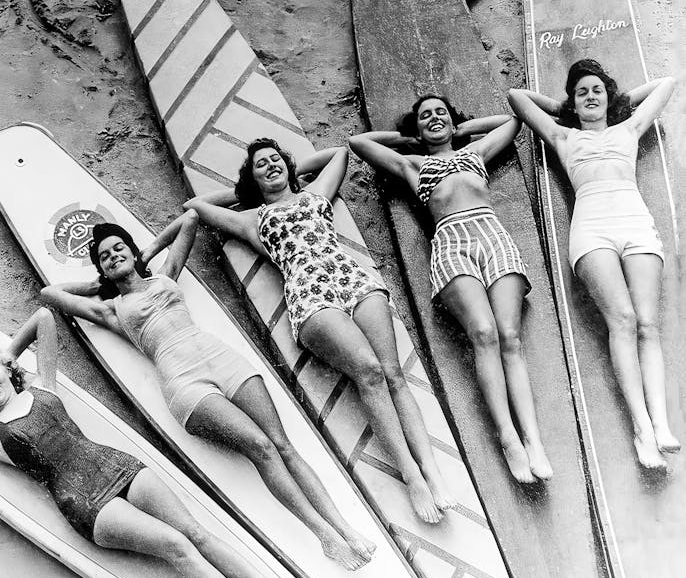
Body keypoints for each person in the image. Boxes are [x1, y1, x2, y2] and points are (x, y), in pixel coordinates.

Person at [0, 308, 313, 578]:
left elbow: (44, 319)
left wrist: (3, 358)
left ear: (7, 368)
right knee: (176, 545)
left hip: (115, 463)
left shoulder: (43, 386)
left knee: (196, 532)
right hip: (83, 502)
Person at [40, 212, 375, 570]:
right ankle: (324, 535)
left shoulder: (165, 276)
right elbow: (50, 294)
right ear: (102, 271)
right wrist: (96, 284)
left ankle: (345, 529)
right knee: (260, 447)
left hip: (219, 357)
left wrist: (144, 254)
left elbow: (189, 219)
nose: (113, 256)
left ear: (132, 250)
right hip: (184, 380)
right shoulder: (111, 310)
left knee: (282, 444)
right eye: (105, 257)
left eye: (118, 248)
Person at [184, 139, 454, 524]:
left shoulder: (315, 194)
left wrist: (291, 172)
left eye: (276, 159)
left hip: (351, 278)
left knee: (393, 374)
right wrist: (242, 193)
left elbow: (339, 153)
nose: (271, 166)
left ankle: (432, 470)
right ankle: (412, 476)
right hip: (311, 294)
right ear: (252, 178)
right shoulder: (252, 218)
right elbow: (195, 205)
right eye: (261, 165)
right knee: (369, 373)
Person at [349, 95, 553, 485]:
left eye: (440, 112)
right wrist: (409, 138)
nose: (434, 118)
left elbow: (512, 122)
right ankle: (508, 437)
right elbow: (359, 143)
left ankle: (534, 440)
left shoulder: (475, 152)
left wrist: (458, 129)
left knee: (510, 336)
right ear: (417, 128)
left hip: (493, 236)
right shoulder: (412, 164)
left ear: (452, 119)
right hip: (451, 241)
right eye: (425, 116)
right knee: (484, 333)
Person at [508, 60, 680, 470]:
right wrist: (563, 106)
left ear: (608, 96)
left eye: (596, 90)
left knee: (647, 324)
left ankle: (660, 423)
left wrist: (618, 99)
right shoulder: (563, 135)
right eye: (582, 92)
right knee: (622, 320)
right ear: (572, 101)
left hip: (635, 222)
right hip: (592, 229)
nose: (589, 96)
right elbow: (517, 98)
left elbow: (667, 83)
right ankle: (641, 428)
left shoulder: (630, 128)